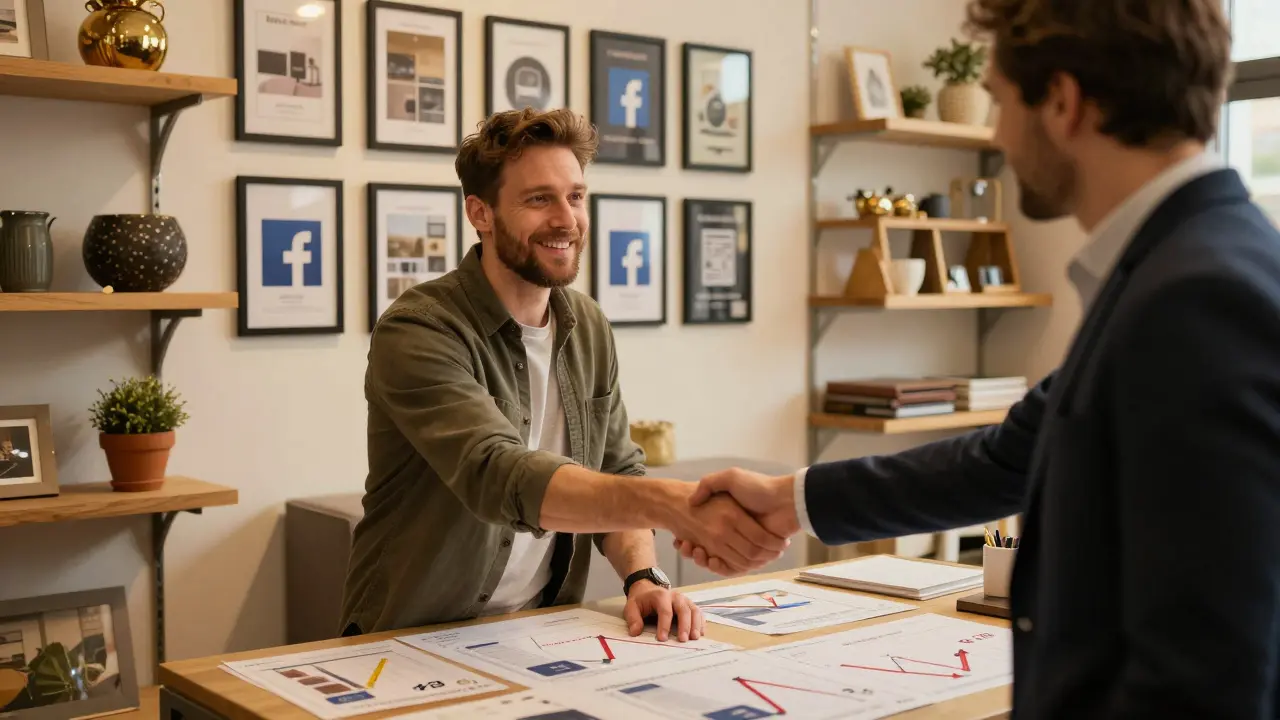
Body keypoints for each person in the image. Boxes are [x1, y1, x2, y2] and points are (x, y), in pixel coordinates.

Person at [676, 0, 1280, 716]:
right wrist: (788, 500)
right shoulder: (1168, 267)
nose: (995, 134)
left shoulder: (1196, 296)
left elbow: (1208, 670)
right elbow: (1007, 459)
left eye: (997, 100)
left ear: (1062, 100)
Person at [340, 108, 788, 643]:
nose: (566, 219)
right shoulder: (419, 329)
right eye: (538, 199)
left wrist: (643, 576)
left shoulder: (588, 324)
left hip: (540, 632)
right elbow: (498, 474)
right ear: (480, 214)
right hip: (409, 639)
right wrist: (675, 506)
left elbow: (618, 468)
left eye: (575, 196)